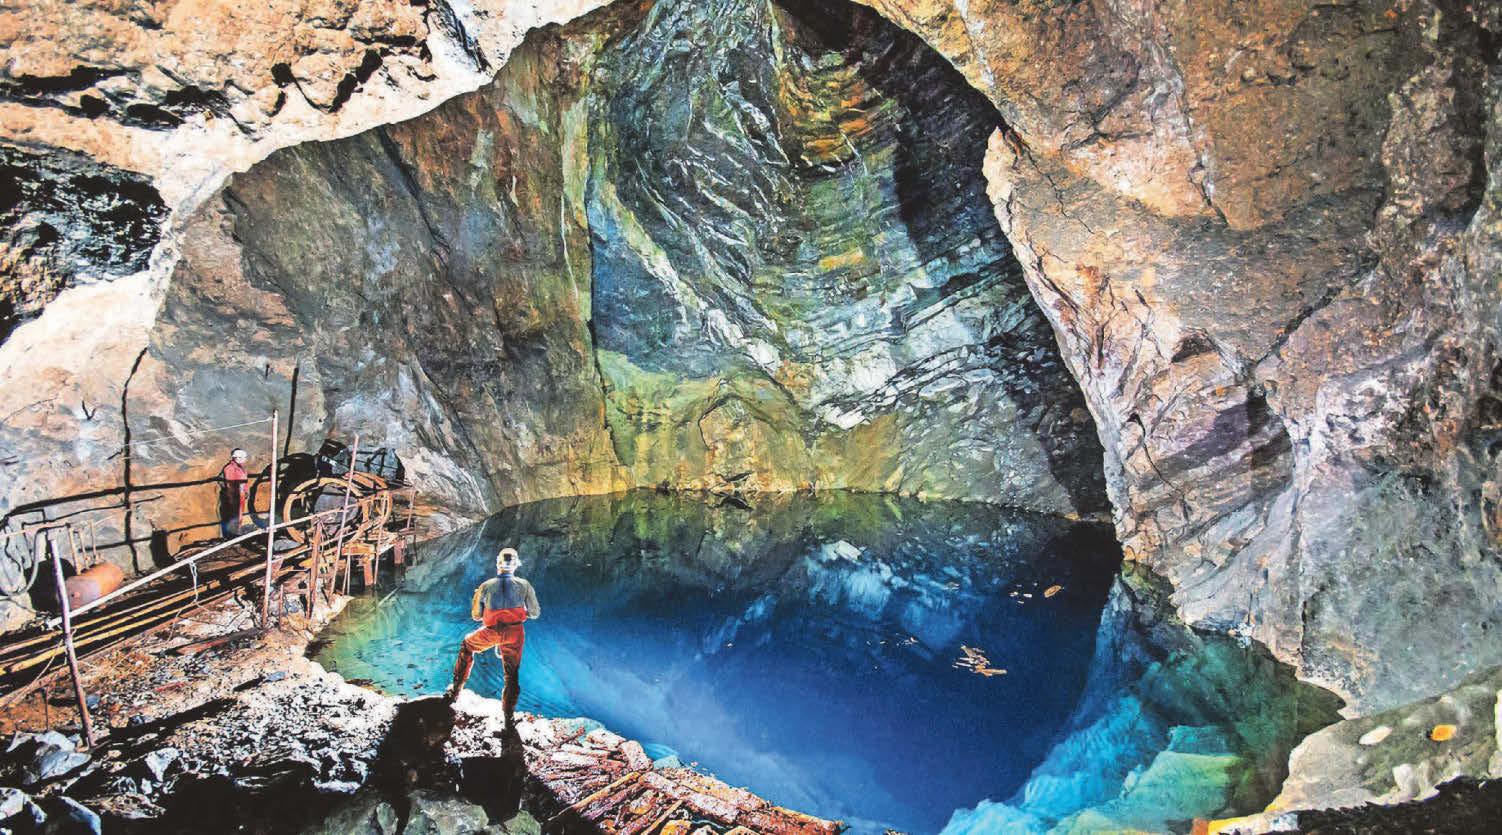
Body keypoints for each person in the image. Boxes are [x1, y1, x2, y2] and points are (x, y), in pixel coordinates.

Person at [446, 547, 541, 726]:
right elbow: (535, 613)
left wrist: (486, 605)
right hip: (515, 633)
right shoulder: (524, 585)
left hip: (492, 632)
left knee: (467, 645)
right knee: (511, 674)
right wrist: (520, 613)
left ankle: (456, 691)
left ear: (498, 564)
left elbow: (475, 615)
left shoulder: (486, 586)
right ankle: (508, 717)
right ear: (515, 566)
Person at [219, 448, 250, 537]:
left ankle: (235, 533)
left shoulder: (239, 468)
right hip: (234, 496)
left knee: (238, 515)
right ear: (238, 458)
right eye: (244, 458)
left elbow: (243, 482)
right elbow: (230, 485)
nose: (245, 460)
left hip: (240, 496)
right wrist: (232, 498)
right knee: (232, 515)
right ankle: (230, 535)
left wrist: (245, 492)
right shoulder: (230, 468)